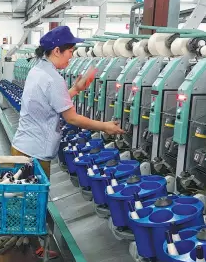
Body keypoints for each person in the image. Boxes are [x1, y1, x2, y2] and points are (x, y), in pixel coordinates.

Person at [11, 26, 124, 177]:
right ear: (57, 51)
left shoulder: (37, 70)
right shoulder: (53, 78)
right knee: (33, 199)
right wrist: (104, 126)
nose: (71, 57)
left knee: (22, 197)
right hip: (34, 154)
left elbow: (51, 100)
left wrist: (76, 89)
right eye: (70, 52)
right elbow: (71, 118)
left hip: (23, 147)